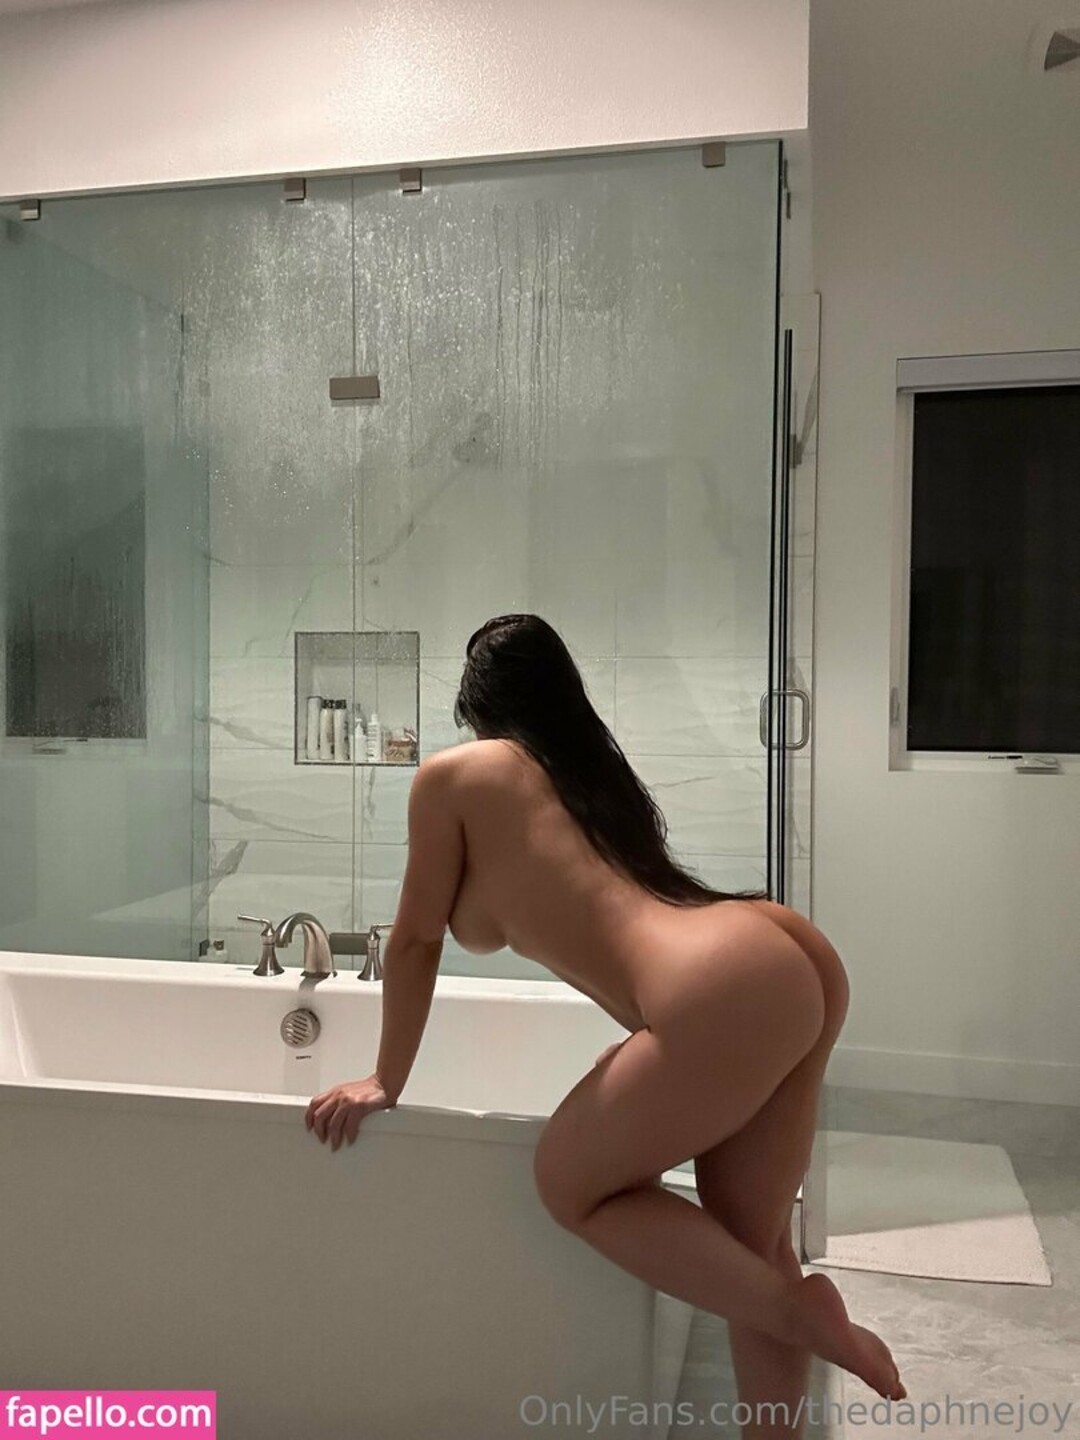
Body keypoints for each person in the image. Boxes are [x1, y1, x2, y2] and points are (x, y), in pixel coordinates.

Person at [306, 613, 905, 1429]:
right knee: (750, 1247)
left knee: (568, 1182)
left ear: (477, 706)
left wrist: (387, 1078)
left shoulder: (455, 777)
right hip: (779, 952)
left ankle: (804, 1315)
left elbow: (414, 941)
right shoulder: (589, 777)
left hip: (713, 988)